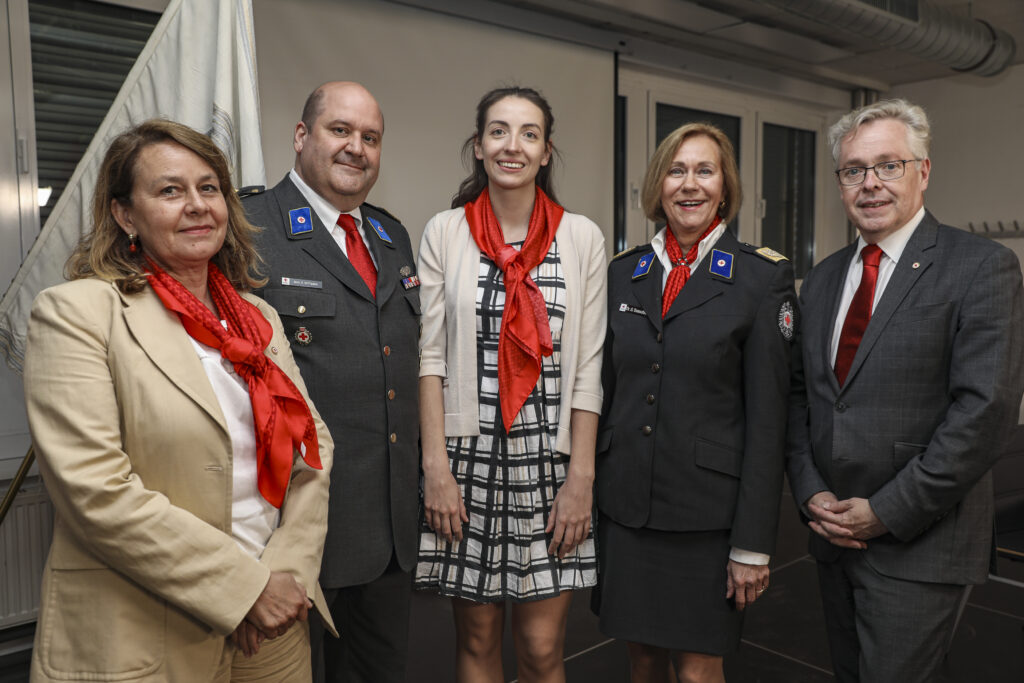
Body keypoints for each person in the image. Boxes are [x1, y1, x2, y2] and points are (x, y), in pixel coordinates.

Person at [23, 119, 335, 682]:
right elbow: (96, 491)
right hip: (148, 631)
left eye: (209, 187)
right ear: (124, 214)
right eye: (170, 191)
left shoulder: (256, 316)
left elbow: (313, 450)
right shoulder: (76, 313)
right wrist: (241, 589)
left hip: (274, 629)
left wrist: (283, 575)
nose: (196, 205)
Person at [786, 98, 1024, 683]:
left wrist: (885, 512)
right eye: (853, 170)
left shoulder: (980, 267)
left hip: (920, 541)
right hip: (832, 535)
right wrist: (810, 490)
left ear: (924, 170)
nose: (870, 184)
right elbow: (802, 398)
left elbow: (985, 412)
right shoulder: (820, 280)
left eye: (888, 165)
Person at [415, 86, 606, 682]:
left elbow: (588, 369)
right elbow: (431, 360)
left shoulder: (582, 238)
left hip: (550, 463)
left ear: (546, 151)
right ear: (479, 146)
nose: (512, 146)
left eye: (528, 133)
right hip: (465, 461)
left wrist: (581, 478)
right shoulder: (446, 231)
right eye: (498, 131)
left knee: (544, 650)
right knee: (476, 642)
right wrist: (436, 470)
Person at [594, 122, 797, 683]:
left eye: (704, 171)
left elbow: (769, 420)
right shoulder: (621, 274)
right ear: (659, 184)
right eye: (677, 171)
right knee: (641, 660)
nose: (690, 185)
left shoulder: (762, 277)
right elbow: (607, 392)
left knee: (697, 670)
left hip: (708, 519)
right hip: (626, 509)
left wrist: (753, 545)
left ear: (724, 186)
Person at [241, 81, 419, 683]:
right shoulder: (248, 227)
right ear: (300, 137)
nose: (356, 148)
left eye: (371, 138)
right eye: (339, 130)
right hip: (292, 523)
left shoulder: (391, 237)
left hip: (388, 521)